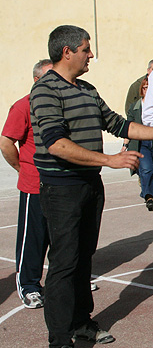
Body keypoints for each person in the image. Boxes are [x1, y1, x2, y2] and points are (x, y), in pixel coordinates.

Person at [30, 25, 153, 347]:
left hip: (90, 187)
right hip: (62, 190)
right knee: (64, 263)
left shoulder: (86, 89)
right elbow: (56, 145)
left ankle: (82, 323)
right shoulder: (45, 90)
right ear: (67, 52)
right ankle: (59, 338)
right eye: (87, 49)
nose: (91, 55)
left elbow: (118, 123)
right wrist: (109, 160)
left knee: (83, 258)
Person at [0, 59, 53, 309]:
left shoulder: (58, 103)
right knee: (32, 238)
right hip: (34, 185)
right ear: (36, 80)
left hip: (61, 183)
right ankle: (29, 285)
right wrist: (22, 168)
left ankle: (64, 279)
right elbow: (6, 142)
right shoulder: (23, 106)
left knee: (63, 236)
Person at [123, 77, 153, 211]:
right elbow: (130, 127)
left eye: (149, 87)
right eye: (145, 88)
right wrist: (125, 145)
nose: (147, 90)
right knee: (146, 169)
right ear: (141, 90)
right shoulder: (135, 106)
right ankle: (149, 196)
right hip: (142, 143)